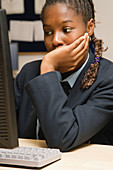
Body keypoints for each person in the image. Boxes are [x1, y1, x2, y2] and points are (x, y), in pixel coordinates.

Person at [14, 0, 113, 152]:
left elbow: (62, 138)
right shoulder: (28, 73)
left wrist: (48, 67)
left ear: (89, 27)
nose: (55, 40)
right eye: (48, 32)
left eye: (66, 30)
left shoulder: (108, 78)